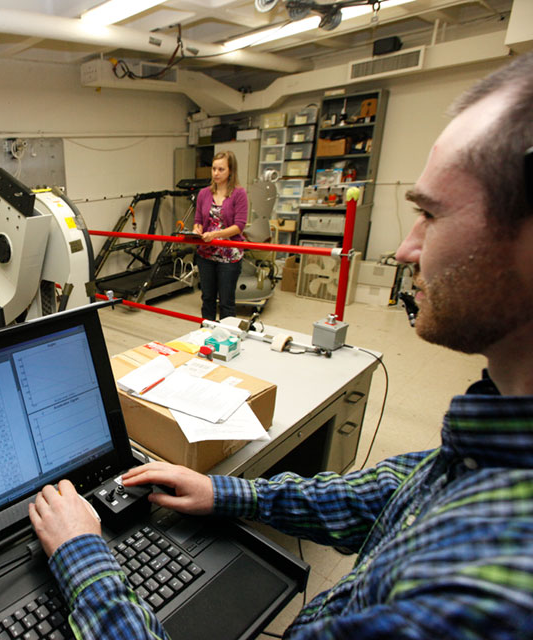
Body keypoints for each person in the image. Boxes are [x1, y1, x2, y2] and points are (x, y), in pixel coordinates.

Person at [29, 52, 533, 639]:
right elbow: (397, 491)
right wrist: (228, 490)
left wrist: (85, 560)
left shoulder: (481, 596)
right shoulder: (493, 444)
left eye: (430, 215)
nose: (404, 249)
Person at [192, 150, 248, 321]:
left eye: (221, 169)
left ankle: (227, 339)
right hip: (206, 254)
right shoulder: (204, 194)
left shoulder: (239, 194)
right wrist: (197, 230)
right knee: (207, 299)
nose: (216, 173)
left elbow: (239, 226)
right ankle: (206, 336)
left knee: (226, 302)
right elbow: (198, 220)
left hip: (229, 256)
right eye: (214, 169)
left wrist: (216, 234)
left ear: (231, 170)